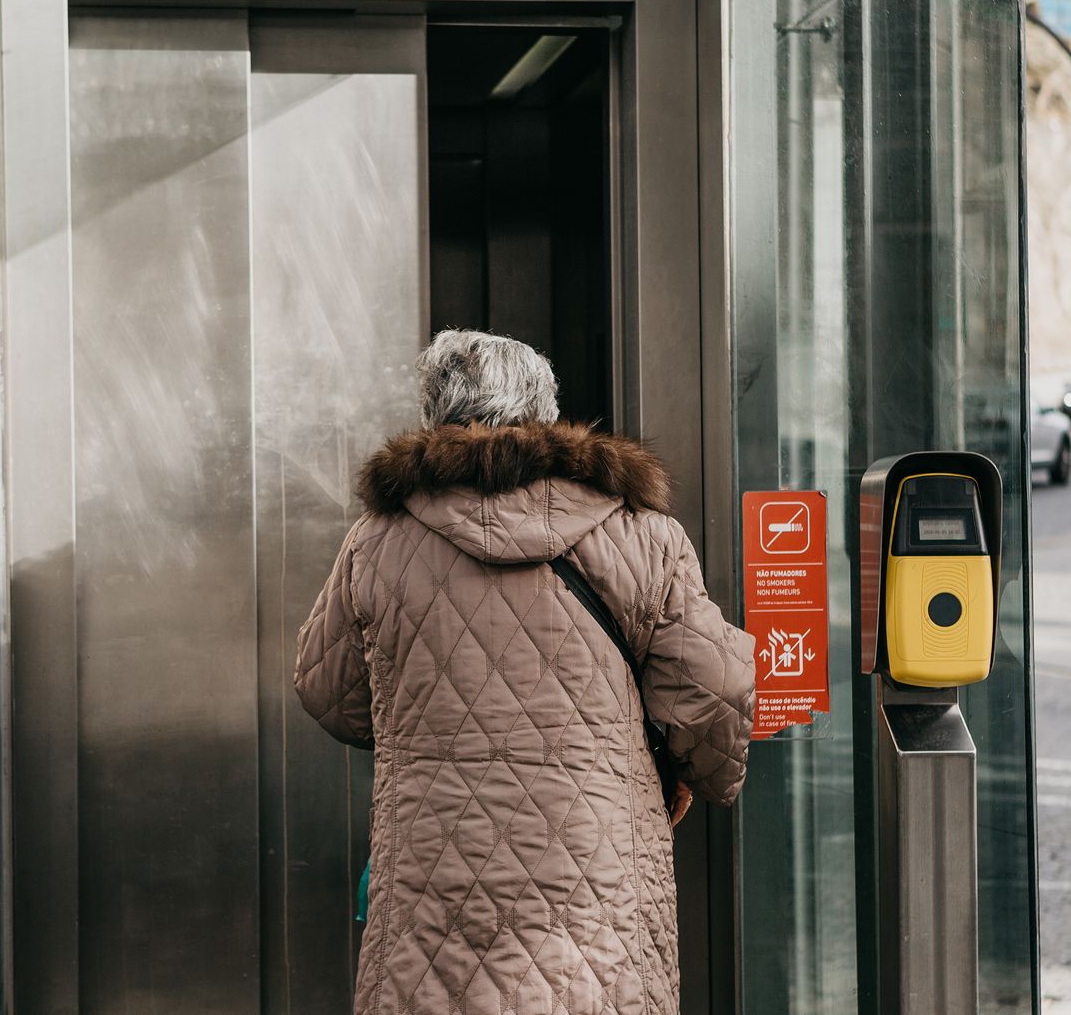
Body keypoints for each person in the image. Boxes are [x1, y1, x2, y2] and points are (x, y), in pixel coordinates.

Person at [296, 330, 756, 1015]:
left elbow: (326, 687)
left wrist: (419, 720)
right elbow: (717, 689)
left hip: (433, 883)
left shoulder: (378, 538)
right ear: (545, 412)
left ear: (436, 414)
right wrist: (694, 778)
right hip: (594, 883)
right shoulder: (639, 532)